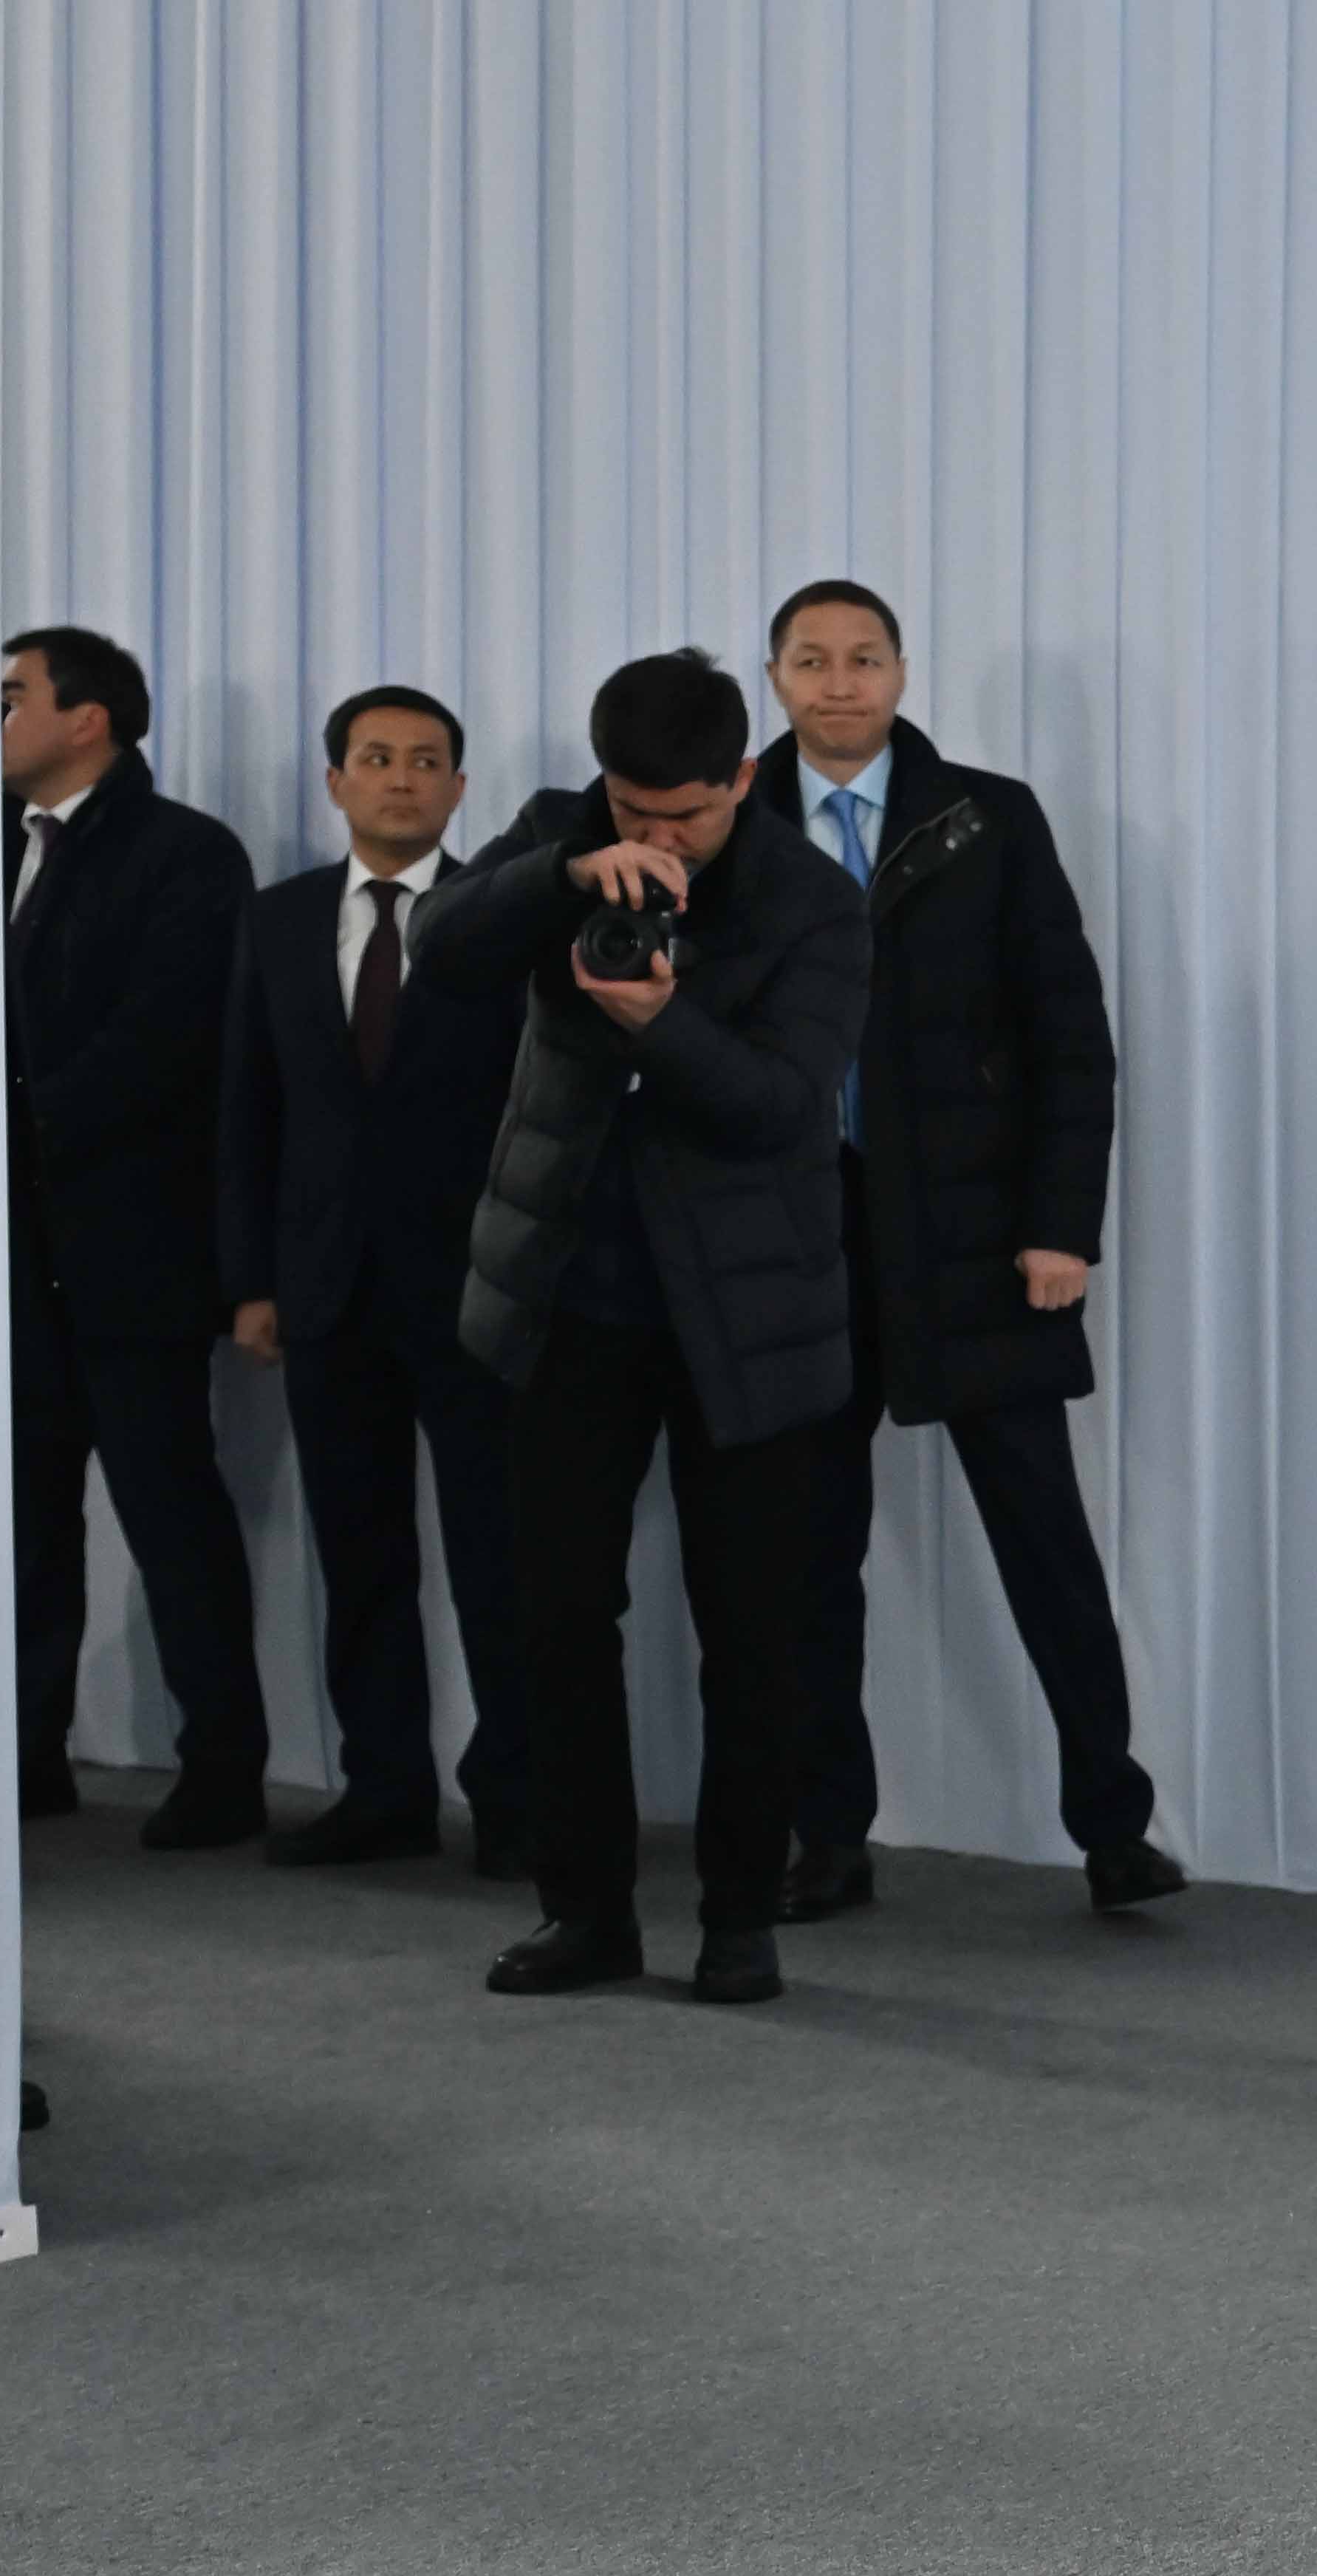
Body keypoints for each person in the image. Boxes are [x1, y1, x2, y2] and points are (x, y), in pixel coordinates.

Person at [415, 650, 865, 2008]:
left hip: (747, 1314)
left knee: (751, 1631)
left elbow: (782, 1105)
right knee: (557, 1618)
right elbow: (441, 947)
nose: (658, 839)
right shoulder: (565, 833)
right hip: (572, 1297)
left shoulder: (811, 898)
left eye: (686, 814)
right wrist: (566, 873)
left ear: (743, 778)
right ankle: (586, 1911)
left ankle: (738, 1918)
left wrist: (661, 1022)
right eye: (633, 810)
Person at [752, 581, 1182, 1923]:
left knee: (1044, 1540)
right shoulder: (734, 823)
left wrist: (1061, 1226)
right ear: (775, 678)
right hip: (799, 1243)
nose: (839, 682)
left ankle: (1114, 1824)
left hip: (976, 1237)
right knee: (805, 1556)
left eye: (863, 657)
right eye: (811, 660)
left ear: (899, 671)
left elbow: (1068, 1036)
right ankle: (829, 1834)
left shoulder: (985, 817)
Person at [216, 684, 533, 1876]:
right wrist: (252, 1279)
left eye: (427, 760)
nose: (402, 777)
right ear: (335, 780)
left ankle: (517, 1799)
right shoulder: (279, 917)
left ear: (460, 788)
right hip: (326, 1285)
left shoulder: (503, 919)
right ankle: (383, 1788)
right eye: (377, 756)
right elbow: (247, 1106)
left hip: (478, 1288)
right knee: (358, 1553)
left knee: (501, 1559)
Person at [1, 625, 267, 1845]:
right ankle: (24, 1754)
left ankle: (223, 1764)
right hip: (9, 1252)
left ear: (87, 719)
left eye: (12, 695)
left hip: (136, 1248)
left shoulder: (186, 853)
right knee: (25, 1517)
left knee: (171, 1515)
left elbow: (166, 1041)